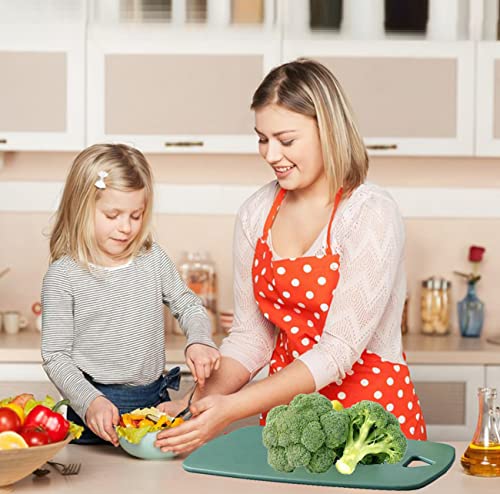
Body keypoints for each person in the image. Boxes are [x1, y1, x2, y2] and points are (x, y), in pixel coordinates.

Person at [155, 58, 427, 455]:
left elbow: (339, 350)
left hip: (371, 423)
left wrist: (231, 409)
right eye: (262, 138)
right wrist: (192, 406)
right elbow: (252, 337)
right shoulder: (255, 212)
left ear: (328, 130)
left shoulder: (370, 213)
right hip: (291, 426)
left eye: (285, 139)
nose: (270, 153)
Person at [41, 143, 220, 445]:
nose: (126, 228)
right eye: (113, 215)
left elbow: (188, 305)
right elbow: (56, 357)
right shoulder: (63, 275)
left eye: (136, 216)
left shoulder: (151, 259)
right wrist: (90, 402)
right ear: (81, 207)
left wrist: (200, 340)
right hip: (90, 415)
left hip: (152, 410)